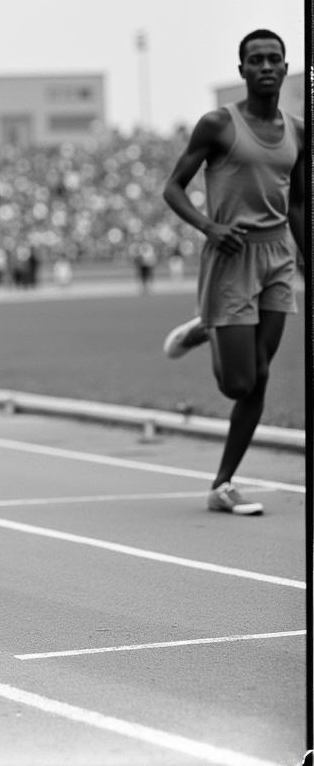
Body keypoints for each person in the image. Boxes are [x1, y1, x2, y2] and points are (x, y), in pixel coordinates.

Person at [161, 28, 304, 516]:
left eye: (275, 60)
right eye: (256, 60)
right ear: (242, 70)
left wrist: (305, 259)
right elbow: (174, 188)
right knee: (239, 385)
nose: (266, 67)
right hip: (231, 255)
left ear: (286, 69)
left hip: (278, 257)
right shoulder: (218, 125)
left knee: (261, 378)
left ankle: (223, 484)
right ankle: (210, 324)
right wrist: (209, 227)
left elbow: (300, 203)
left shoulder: (299, 130)